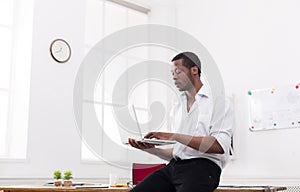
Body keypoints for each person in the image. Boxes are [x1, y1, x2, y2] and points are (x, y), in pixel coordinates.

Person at [128, 52, 233, 192]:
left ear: (194, 70)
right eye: (172, 73)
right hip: (174, 167)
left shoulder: (219, 101)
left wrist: (174, 136)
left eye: (178, 71)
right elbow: (179, 151)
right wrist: (151, 149)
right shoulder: (177, 106)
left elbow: (219, 146)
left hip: (203, 167)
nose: (174, 76)